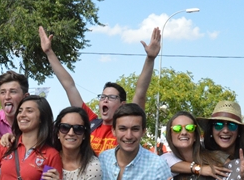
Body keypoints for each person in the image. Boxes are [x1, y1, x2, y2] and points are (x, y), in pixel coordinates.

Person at [39, 25, 160, 154]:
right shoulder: (90, 121)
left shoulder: (126, 128)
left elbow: (140, 92)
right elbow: (69, 86)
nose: (105, 101)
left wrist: (150, 59)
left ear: (122, 104)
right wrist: (49, 53)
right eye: (103, 97)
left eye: (111, 97)